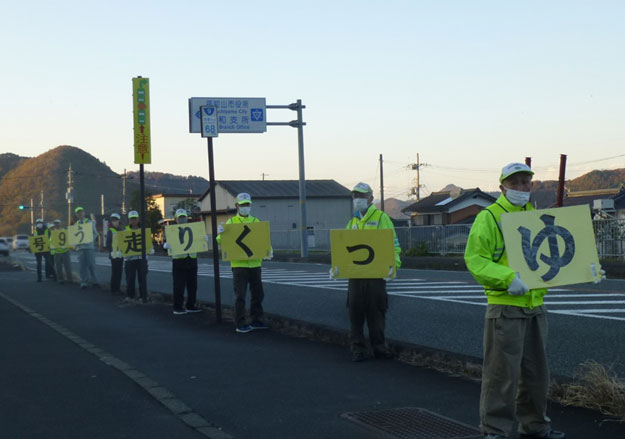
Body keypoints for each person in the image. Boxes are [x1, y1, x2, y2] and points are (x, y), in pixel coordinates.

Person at [464, 163, 565, 439]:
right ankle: (494, 430)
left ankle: (535, 425)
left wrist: (585, 269)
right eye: (515, 183)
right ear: (502, 187)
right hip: (505, 306)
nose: (521, 188)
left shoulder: (533, 215)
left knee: (536, 374)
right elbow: (475, 259)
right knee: (502, 374)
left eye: (525, 182)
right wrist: (507, 278)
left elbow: (549, 257)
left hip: (534, 305)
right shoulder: (490, 217)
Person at [344, 182, 401, 362]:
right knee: (355, 310)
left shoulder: (381, 217)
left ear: (370, 198)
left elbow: (393, 244)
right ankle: (358, 349)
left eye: (361, 196)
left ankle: (379, 347)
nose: (358, 199)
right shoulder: (352, 221)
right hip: (356, 275)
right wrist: (338, 266)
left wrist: (393, 266)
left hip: (376, 274)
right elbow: (344, 247)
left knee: (376, 311)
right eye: (355, 196)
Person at [216, 193, 269, 333]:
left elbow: (263, 239)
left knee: (258, 294)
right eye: (242, 204)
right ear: (237, 206)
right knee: (240, 295)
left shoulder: (256, 221)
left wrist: (269, 251)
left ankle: (256, 320)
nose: (245, 207)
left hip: (255, 263)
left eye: (247, 204)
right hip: (239, 265)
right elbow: (220, 241)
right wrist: (220, 233)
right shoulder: (231, 222)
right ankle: (240, 323)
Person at [163, 209, 202, 314]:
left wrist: (203, 240)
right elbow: (164, 244)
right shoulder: (171, 231)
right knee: (179, 286)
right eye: (180, 217)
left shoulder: (193, 229)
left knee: (192, 285)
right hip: (179, 261)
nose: (182, 219)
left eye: (183, 217)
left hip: (192, 259)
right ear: (176, 219)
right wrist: (165, 246)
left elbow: (199, 241)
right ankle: (178, 307)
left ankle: (191, 305)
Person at [123, 210, 148, 303]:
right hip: (130, 259)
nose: (133, 221)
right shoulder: (125, 231)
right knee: (130, 278)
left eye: (135, 219)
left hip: (141, 258)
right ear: (129, 220)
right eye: (131, 219)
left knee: (142, 279)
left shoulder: (143, 230)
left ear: (138, 219)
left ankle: (143, 296)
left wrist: (150, 249)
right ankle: (130, 296)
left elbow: (148, 242)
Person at [74, 206, 99, 288]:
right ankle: (84, 282)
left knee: (92, 265)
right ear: (76, 214)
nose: (80, 213)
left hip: (89, 247)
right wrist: (76, 244)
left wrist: (89, 240)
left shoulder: (89, 222)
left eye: (81, 211)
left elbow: (95, 233)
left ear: (84, 212)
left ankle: (95, 281)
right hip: (80, 248)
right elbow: (74, 237)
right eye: (78, 212)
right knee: (82, 266)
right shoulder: (75, 224)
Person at [106, 213, 124, 294]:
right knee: (115, 272)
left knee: (119, 272)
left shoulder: (121, 230)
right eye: (113, 220)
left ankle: (117, 288)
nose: (114, 222)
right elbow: (108, 243)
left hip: (121, 254)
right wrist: (111, 252)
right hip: (114, 254)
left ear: (119, 221)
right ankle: (113, 289)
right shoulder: (110, 231)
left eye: (116, 220)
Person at [51, 219, 72, 284]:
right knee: (58, 266)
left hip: (65, 250)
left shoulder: (65, 231)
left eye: (58, 223)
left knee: (67, 265)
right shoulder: (53, 232)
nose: (56, 224)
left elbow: (69, 239)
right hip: (57, 251)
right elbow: (51, 241)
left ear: (60, 224)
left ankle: (69, 279)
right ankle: (60, 279)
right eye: (55, 223)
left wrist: (69, 246)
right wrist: (52, 246)